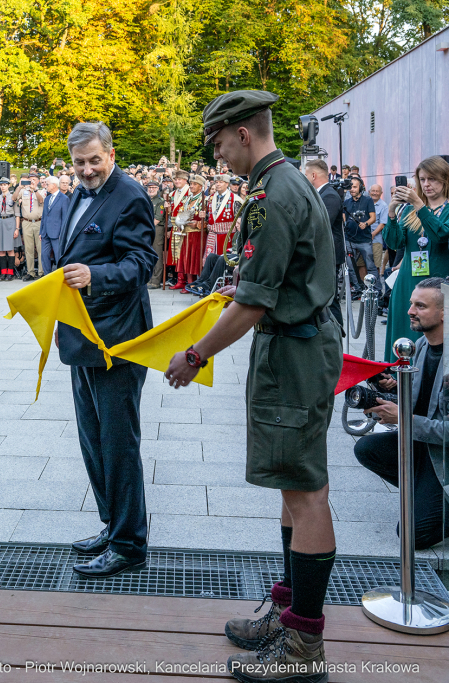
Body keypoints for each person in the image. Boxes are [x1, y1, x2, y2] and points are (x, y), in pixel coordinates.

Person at [166, 91, 341, 680]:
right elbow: (265, 280)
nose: (217, 158)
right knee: (292, 485)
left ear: (243, 132)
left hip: (294, 351)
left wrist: (195, 354)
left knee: (305, 489)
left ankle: (303, 649)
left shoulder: (273, 193)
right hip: (293, 347)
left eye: (217, 144)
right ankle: (289, 616)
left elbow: (257, 300)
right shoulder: (283, 182)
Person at [54, 122, 156, 580]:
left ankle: (129, 544)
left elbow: (140, 263)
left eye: (94, 160)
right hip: (81, 336)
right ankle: (112, 525)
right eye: (79, 163)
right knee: (93, 442)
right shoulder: (77, 193)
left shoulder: (131, 194)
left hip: (117, 339)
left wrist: (97, 278)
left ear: (111, 154)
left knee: (118, 445)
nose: (87, 170)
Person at [356, 278, 449, 549]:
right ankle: (426, 494)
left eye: (420, 306)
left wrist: (402, 418)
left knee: (413, 535)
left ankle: (434, 499)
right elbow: (421, 402)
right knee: (367, 449)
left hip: (444, 454)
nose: (410, 311)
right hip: (425, 447)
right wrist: (389, 391)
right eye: (411, 304)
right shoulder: (419, 346)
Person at [382, 155, 449, 360]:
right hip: (407, 281)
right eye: (422, 179)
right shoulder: (410, 209)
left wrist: (420, 206)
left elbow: (441, 235)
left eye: (433, 179)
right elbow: (395, 243)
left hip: (437, 281)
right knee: (403, 330)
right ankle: (396, 379)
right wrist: (392, 214)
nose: (426, 184)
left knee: (433, 336)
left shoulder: (441, 209)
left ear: (445, 180)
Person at [304, 159, 346, 326]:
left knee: (331, 298)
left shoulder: (329, 195)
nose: (305, 179)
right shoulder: (322, 194)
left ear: (313, 175)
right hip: (322, 253)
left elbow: (322, 224)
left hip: (330, 254)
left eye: (306, 175)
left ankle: (337, 332)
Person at [343, 176, 378, 286]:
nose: (352, 189)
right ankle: (358, 288)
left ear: (361, 188)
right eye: (350, 187)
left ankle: (376, 289)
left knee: (370, 266)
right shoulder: (346, 202)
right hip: (350, 240)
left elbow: (373, 217)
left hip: (364, 240)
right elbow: (343, 218)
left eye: (354, 187)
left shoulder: (368, 200)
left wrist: (366, 223)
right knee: (351, 268)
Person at [14, 173, 44, 280]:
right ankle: (31, 272)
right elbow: (13, 198)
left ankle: (41, 272)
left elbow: (41, 201)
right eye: (30, 180)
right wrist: (19, 187)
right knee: (28, 249)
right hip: (26, 222)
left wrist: (35, 190)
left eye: (34, 180)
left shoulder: (42, 191)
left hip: (39, 222)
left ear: (38, 181)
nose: (32, 182)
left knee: (40, 248)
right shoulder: (23, 191)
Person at [40, 174, 68, 274]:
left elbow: (65, 218)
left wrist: (62, 234)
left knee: (58, 256)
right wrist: (41, 232)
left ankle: (61, 276)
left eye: (47, 184)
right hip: (45, 233)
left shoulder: (64, 199)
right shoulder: (47, 199)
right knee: (44, 255)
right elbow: (44, 216)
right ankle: (47, 276)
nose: (45, 186)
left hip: (57, 234)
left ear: (54, 185)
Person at [0, 177, 18, 280]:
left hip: (10, 222)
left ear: (8, 185)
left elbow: (17, 214)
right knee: (1, 250)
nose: (3, 187)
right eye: (1, 185)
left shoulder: (13, 197)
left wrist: (17, 228)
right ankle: (3, 273)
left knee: (10, 249)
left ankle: (10, 272)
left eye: (5, 185)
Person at [370, 184, 389, 279]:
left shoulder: (384, 206)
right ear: (369, 192)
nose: (375, 193)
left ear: (381, 193)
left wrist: (373, 234)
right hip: (363, 239)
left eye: (377, 191)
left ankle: (375, 286)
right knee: (362, 264)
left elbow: (382, 224)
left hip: (376, 239)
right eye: (373, 191)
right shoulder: (366, 202)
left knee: (375, 264)